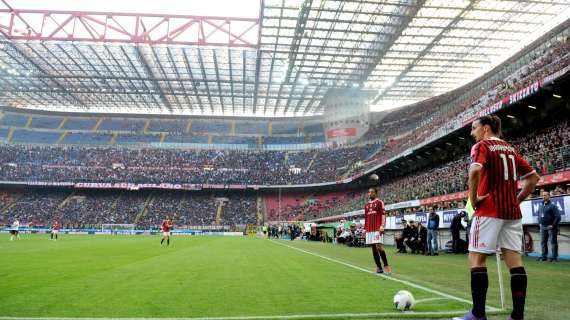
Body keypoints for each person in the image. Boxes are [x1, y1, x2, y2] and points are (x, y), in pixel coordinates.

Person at [454, 115, 539, 320]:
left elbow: (475, 171)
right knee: (515, 262)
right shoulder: (510, 149)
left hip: (489, 211)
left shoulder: (482, 146)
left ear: (485, 128)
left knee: (476, 258)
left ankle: (477, 314)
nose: (472, 133)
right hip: (511, 213)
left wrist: (474, 199)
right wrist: (516, 200)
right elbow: (533, 178)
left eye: (474, 128)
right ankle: (517, 315)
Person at [364, 187, 391, 274]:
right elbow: (366, 217)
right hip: (369, 229)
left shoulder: (380, 202)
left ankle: (386, 266)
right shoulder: (366, 205)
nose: (370, 194)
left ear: (376, 193)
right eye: (369, 192)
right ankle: (379, 267)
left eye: (372, 192)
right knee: (373, 248)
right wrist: (365, 228)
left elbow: (383, 214)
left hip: (377, 227)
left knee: (379, 246)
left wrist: (382, 226)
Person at [537, 191, 561, 262]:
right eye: (542, 195)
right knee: (543, 242)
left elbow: (558, 217)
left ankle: (554, 257)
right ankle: (544, 256)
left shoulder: (553, 206)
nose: (543, 196)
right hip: (542, 227)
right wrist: (539, 223)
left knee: (553, 242)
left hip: (551, 227)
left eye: (545, 195)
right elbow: (539, 215)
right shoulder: (541, 205)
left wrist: (553, 225)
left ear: (549, 196)